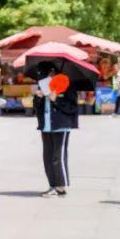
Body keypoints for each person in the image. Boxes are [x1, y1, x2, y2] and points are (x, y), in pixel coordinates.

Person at [31, 62, 78, 197]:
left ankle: (61, 187)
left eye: (52, 72)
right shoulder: (42, 84)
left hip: (60, 124)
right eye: (47, 73)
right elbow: (35, 107)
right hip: (45, 125)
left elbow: (72, 107)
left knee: (58, 156)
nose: (49, 75)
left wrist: (56, 99)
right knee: (47, 156)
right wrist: (37, 96)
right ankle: (52, 185)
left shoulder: (67, 84)